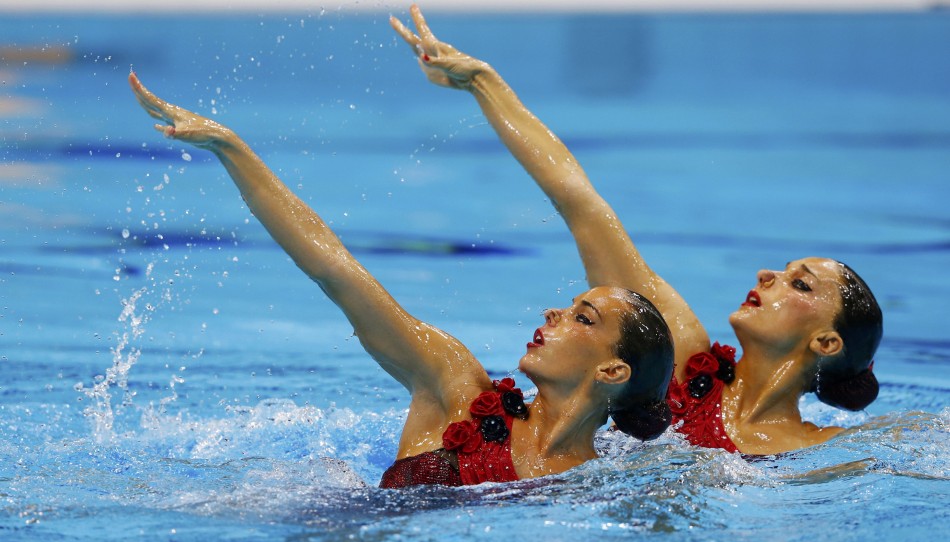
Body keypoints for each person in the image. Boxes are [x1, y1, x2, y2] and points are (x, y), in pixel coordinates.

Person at [129, 62, 675, 487]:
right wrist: (232, 149)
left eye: (584, 317)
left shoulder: (603, 485)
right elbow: (334, 269)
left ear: (612, 371)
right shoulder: (454, 384)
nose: (553, 312)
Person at [390, 4, 882, 456]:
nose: (766, 274)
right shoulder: (678, 352)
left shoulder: (827, 451)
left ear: (827, 343)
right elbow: (580, 202)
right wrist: (483, 83)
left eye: (799, 284)